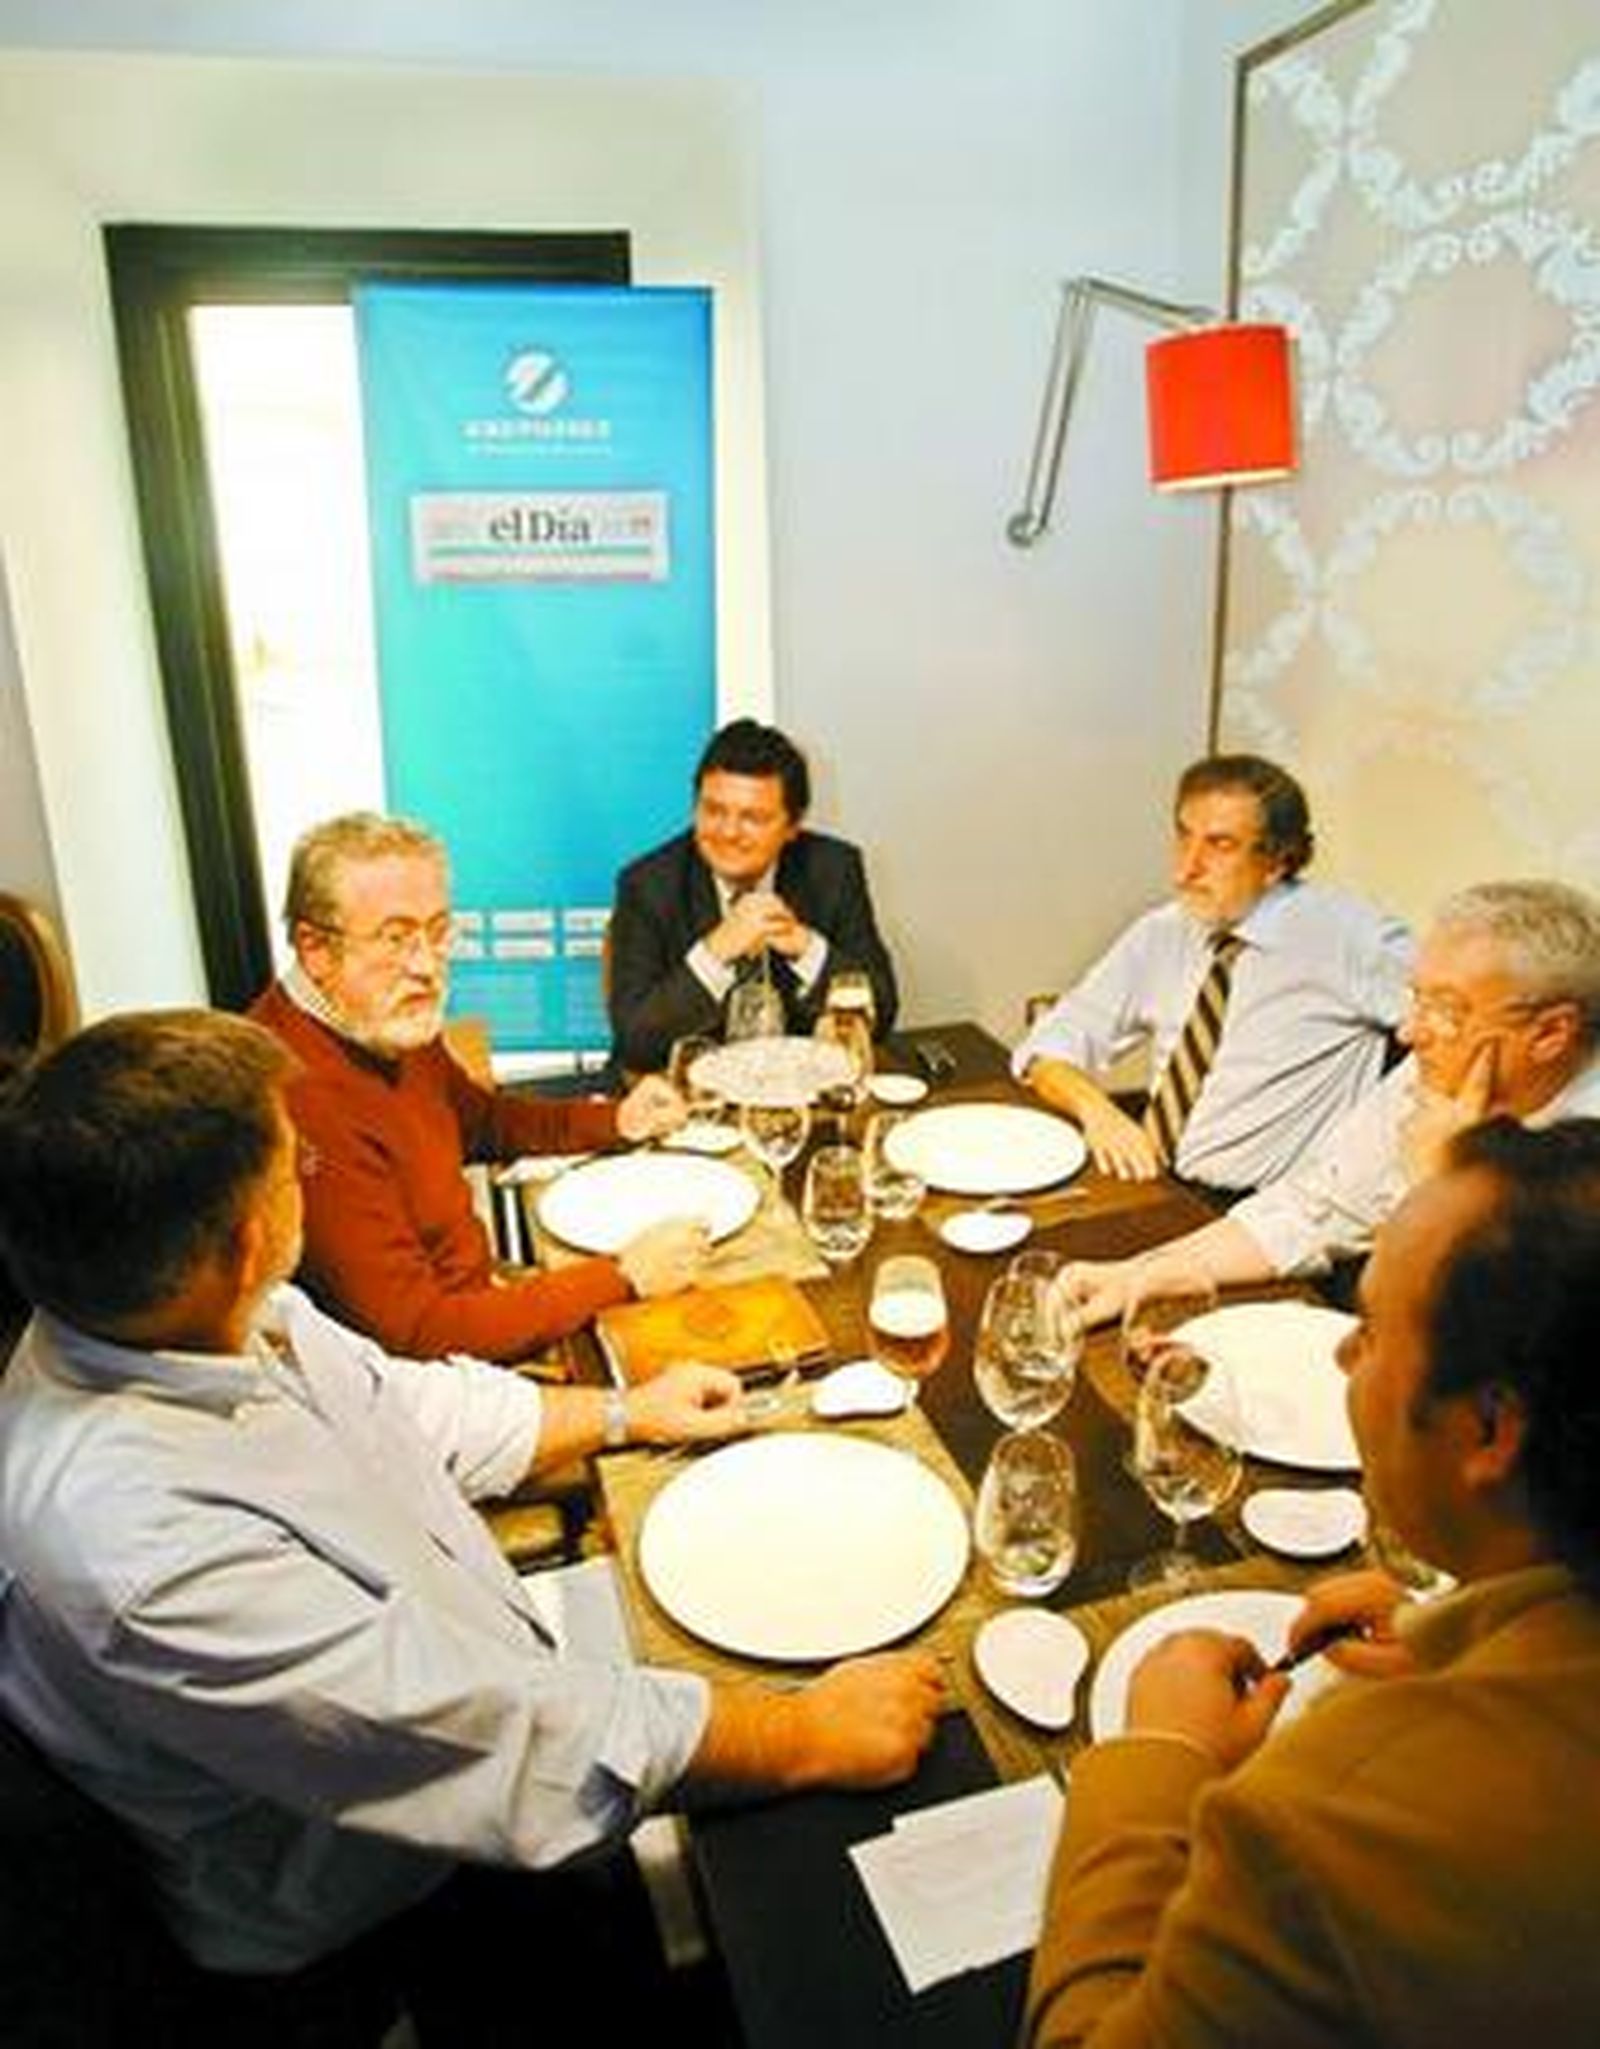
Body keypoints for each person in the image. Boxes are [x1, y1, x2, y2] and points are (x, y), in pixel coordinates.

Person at [0, 1010, 943, 2041]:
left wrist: (627, 1413)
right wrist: (802, 1733)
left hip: (471, 1719)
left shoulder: (187, 1307)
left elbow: (397, 1405)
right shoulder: (134, 1551)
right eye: (291, 1169)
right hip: (376, 1895)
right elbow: (460, 1728)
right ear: (246, 1239)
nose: (306, 1179)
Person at [1025, 1116, 1600, 2048]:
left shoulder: (1322, 1821)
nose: (1342, 1354)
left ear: (1491, 1430)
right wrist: (1455, 1629)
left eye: (1368, 1331)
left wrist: (1154, 1752)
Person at [251, 811, 706, 1363]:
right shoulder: (297, 1100)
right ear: (315, 950)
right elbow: (418, 1335)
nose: (426, 966)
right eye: (396, 938)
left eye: (439, 932)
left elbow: (480, 1121)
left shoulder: (379, 1015)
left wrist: (616, 1120)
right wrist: (623, 1275)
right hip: (439, 1383)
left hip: (483, 1307)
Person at [1060, 878, 1600, 1325]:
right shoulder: (1436, 1072)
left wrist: (1438, 1189)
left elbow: (1491, 1359)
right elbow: (1315, 1206)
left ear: (1552, 1033)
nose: (1410, 1033)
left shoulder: (1585, 1167)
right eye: (1417, 997)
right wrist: (1135, 1273)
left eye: (1449, 1010)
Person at [1013, 754, 1411, 1194]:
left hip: (1267, 1215)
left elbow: (1469, 1031)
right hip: (1158, 1181)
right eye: (1184, 837)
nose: (1186, 869)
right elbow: (1050, 1043)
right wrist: (1099, 1112)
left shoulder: (1352, 939)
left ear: (1278, 862)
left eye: (1220, 845)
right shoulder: (1164, 932)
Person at [607, 717, 898, 1073]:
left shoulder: (833, 870)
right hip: (692, 1099)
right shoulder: (649, 884)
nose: (729, 832)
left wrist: (806, 948)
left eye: (753, 818)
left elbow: (882, 1013)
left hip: (799, 1092)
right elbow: (635, 1043)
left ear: (793, 825)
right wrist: (716, 951)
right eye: (713, 810)